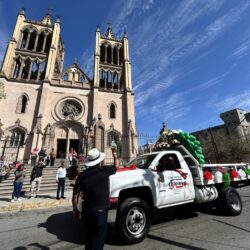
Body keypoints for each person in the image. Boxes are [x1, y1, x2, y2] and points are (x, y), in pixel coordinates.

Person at [72, 147, 118, 250]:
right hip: (100, 212)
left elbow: (75, 195)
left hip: (86, 212)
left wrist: (75, 210)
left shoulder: (81, 176)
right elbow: (116, 166)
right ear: (99, 161)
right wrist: (114, 154)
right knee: (99, 239)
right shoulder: (105, 170)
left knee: (89, 238)